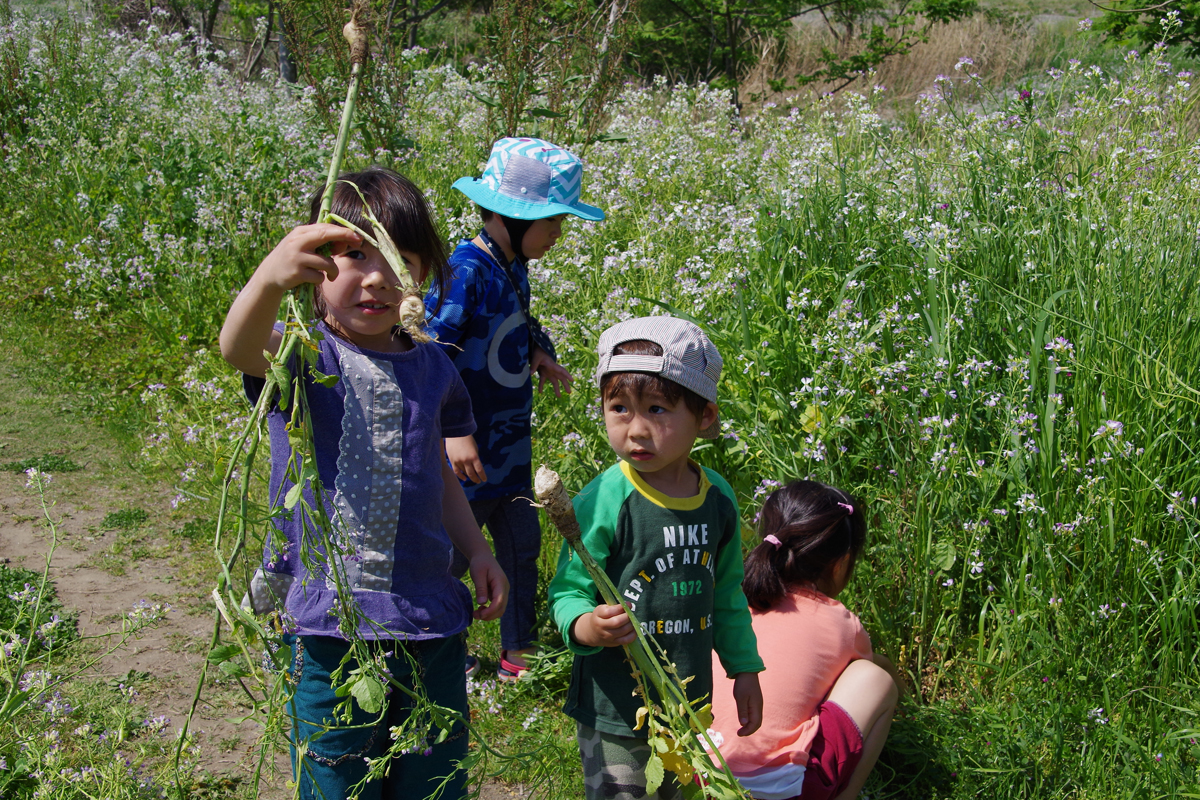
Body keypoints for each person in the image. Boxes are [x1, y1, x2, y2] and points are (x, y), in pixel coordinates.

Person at [218, 166, 509, 800]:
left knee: (432, 778)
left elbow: (437, 472)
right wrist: (270, 276)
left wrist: (480, 551)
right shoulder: (305, 355)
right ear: (313, 268)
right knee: (336, 775)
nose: (377, 277)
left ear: (425, 275)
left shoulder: (432, 366)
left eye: (400, 260)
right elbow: (237, 346)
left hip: (427, 613)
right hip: (331, 625)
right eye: (352, 255)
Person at [547, 316, 765, 800]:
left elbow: (726, 593)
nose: (636, 430)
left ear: (704, 417)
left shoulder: (718, 501)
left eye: (658, 409)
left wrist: (744, 669)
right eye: (619, 408)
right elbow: (567, 589)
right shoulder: (605, 497)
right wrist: (586, 626)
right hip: (617, 708)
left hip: (689, 706)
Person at [426, 137, 604, 680]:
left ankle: (517, 652)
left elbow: (517, 322)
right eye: (552, 221)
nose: (557, 234)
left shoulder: (512, 267)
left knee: (523, 547)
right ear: (510, 216)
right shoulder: (465, 269)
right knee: (455, 555)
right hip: (471, 451)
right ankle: (429, 642)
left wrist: (539, 352)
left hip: (510, 446)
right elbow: (433, 354)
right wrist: (451, 433)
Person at [705, 480, 900, 800]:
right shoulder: (841, 622)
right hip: (778, 789)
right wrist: (898, 684)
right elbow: (864, 674)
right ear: (840, 564)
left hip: (695, 777)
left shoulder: (730, 601)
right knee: (876, 679)